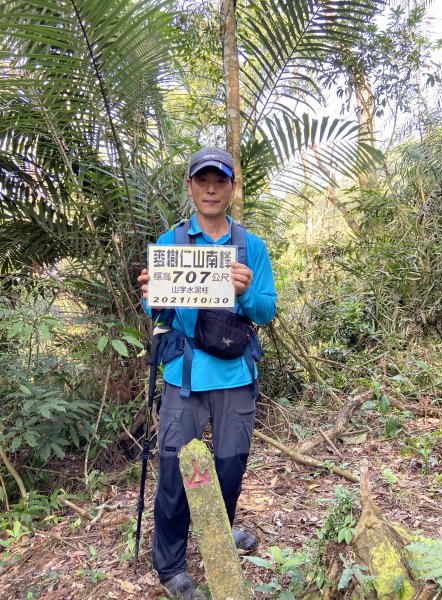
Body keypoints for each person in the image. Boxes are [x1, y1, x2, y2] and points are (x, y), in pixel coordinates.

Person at [138, 147, 277, 599]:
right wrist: (149, 292)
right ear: (191, 187)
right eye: (203, 180)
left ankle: (221, 529)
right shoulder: (172, 242)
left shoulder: (250, 246)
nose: (211, 188)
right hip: (185, 372)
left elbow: (266, 309)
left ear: (232, 188)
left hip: (236, 372)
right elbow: (156, 310)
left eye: (220, 180)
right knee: (176, 469)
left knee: (230, 463)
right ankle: (172, 565)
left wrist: (245, 290)